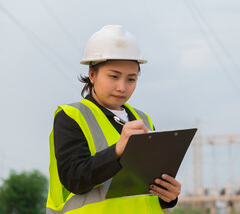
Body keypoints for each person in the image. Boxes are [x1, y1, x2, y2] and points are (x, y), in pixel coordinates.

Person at [46, 25, 181, 213]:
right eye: (113, 76)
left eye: (131, 79)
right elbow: (74, 179)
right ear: (92, 75)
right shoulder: (71, 116)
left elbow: (148, 188)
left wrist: (169, 197)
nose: (122, 87)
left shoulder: (144, 120)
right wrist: (118, 150)